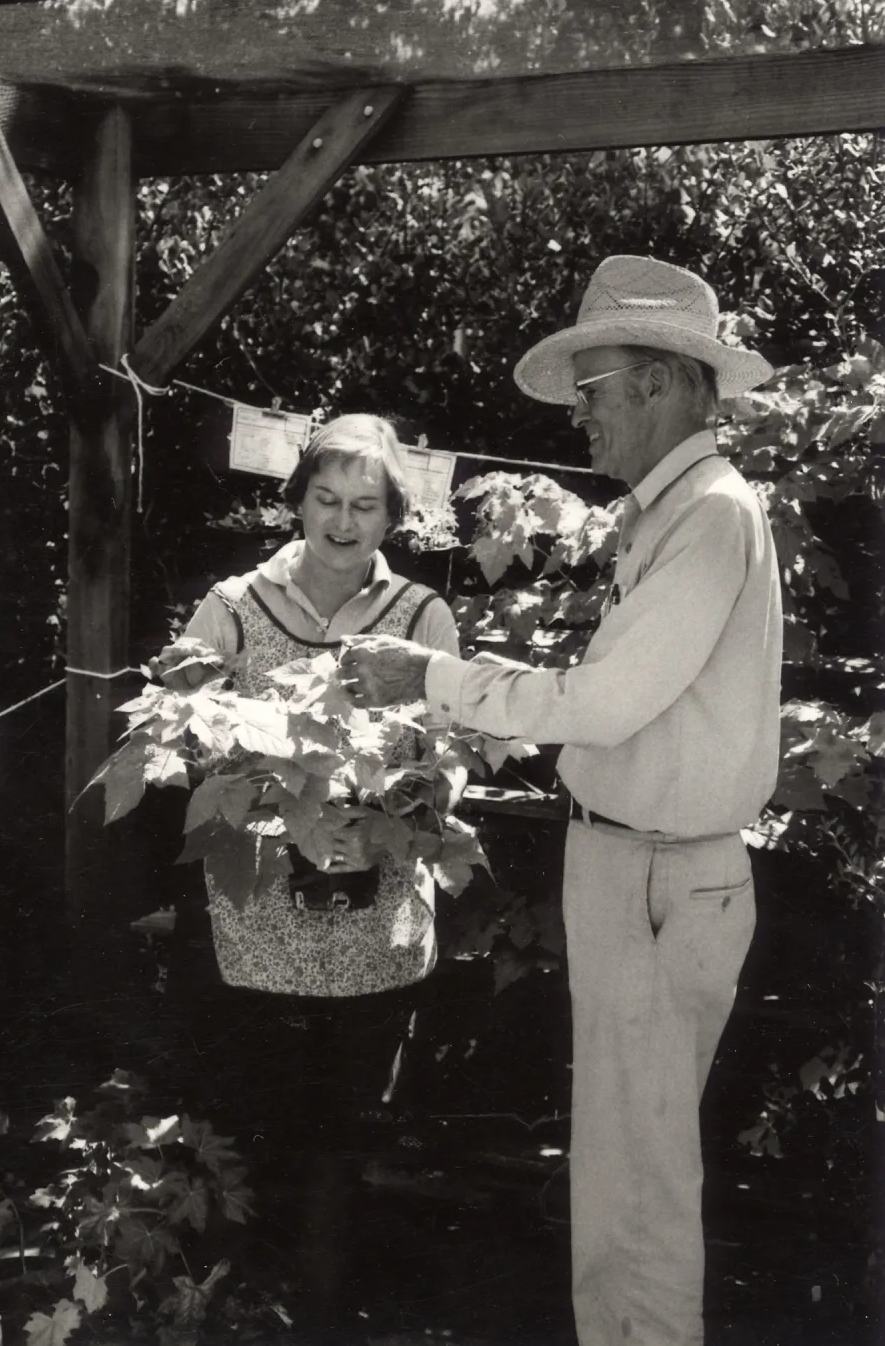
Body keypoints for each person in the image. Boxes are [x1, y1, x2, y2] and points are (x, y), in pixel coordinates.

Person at [340, 256, 783, 1346]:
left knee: (638, 1177)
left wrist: (431, 677)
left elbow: (607, 701)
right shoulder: (669, 514)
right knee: (624, 1162)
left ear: (664, 383)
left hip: (657, 872)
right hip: (639, 867)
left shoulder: (709, 517)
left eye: (591, 393)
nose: (579, 420)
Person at [161, 413, 463, 1341]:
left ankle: (323, 1315)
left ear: (392, 517)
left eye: (365, 505)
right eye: (325, 500)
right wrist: (225, 754)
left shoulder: (420, 617)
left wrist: (399, 814)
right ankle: (244, 1308)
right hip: (259, 915)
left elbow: (454, 754)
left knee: (344, 1131)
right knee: (258, 1117)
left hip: (374, 913)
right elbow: (176, 722)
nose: (342, 521)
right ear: (294, 502)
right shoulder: (236, 604)